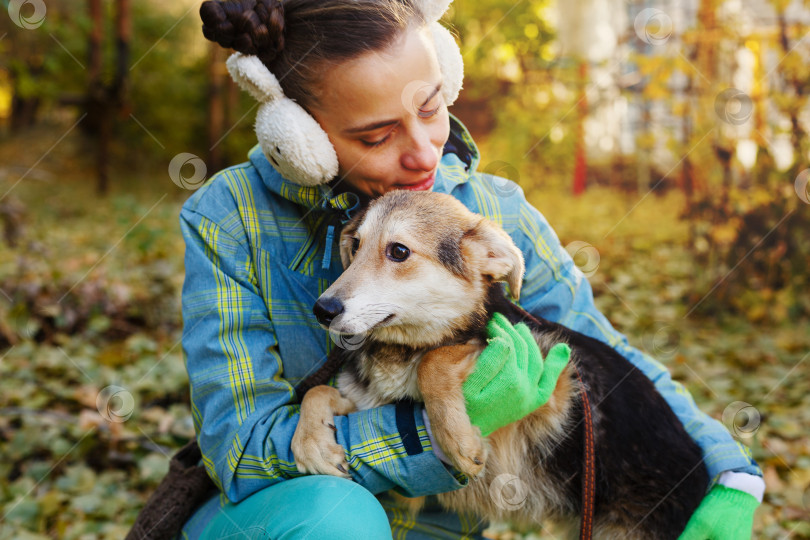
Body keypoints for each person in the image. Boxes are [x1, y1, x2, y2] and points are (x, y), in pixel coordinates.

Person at [177, 0, 764, 538]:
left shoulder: (493, 212)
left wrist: (728, 470)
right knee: (341, 519)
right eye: (378, 136)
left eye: (430, 108)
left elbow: (600, 349)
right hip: (286, 522)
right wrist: (423, 432)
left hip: (436, 532)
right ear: (300, 138)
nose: (425, 152)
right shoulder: (230, 221)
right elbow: (239, 451)